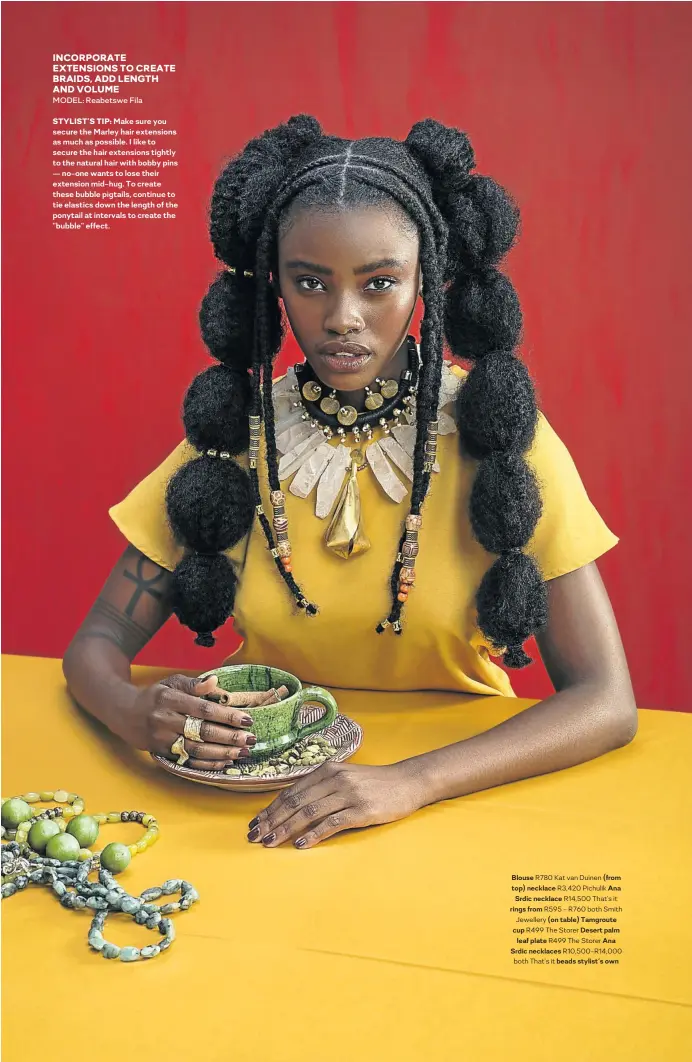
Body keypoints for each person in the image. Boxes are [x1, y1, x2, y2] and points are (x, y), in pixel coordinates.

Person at [63, 114, 637, 850]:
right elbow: (97, 644)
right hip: (249, 798)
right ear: (276, 287)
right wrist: (135, 713)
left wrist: (412, 781)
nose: (341, 318)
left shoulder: (498, 436)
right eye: (310, 283)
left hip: (461, 796)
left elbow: (606, 702)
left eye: (379, 284)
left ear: (425, 280)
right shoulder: (236, 440)